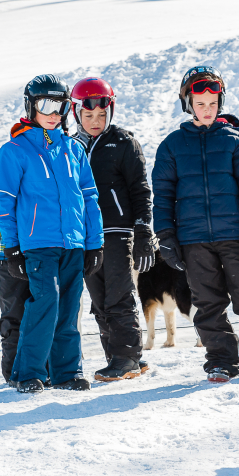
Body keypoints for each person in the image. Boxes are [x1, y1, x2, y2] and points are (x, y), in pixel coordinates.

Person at [153, 65, 239, 383]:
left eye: (213, 104)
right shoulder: (172, 146)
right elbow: (162, 197)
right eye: (200, 104)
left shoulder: (234, 142)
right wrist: (166, 237)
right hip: (192, 240)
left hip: (234, 235)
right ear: (188, 104)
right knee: (207, 302)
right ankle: (221, 360)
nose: (207, 110)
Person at [0, 74, 104, 394]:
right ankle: (28, 372)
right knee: (46, 303)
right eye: (46, 105)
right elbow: (4, 201)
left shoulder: (73, 149)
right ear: (31, 106)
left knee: (69, 306)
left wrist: (94, 243)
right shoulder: (15, 150)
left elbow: (89, 198)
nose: (54, 113)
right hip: (38, 244)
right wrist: (12, 246)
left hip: (73, 242)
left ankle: (67, 372)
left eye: (61, 105)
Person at [71, 77, 155, 381]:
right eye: (89, 115)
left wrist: (143, 230)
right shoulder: (69, 145)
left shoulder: (122, 142)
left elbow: (140, 189)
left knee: (118, 296)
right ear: (76, 112)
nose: (96, 121)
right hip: (84, 236)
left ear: (111, 111)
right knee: (99, 299)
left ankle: (127, 358)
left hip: (118, 232)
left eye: (102, 115)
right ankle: (118, 356)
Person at [0, 168, 30, 384]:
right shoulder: (1, 170)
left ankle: (41, 369)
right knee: (13, 315)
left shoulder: (43, 164)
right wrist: (12, 223)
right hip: (7, 252)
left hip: (43, 251)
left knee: (43, 314)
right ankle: (13, 372)